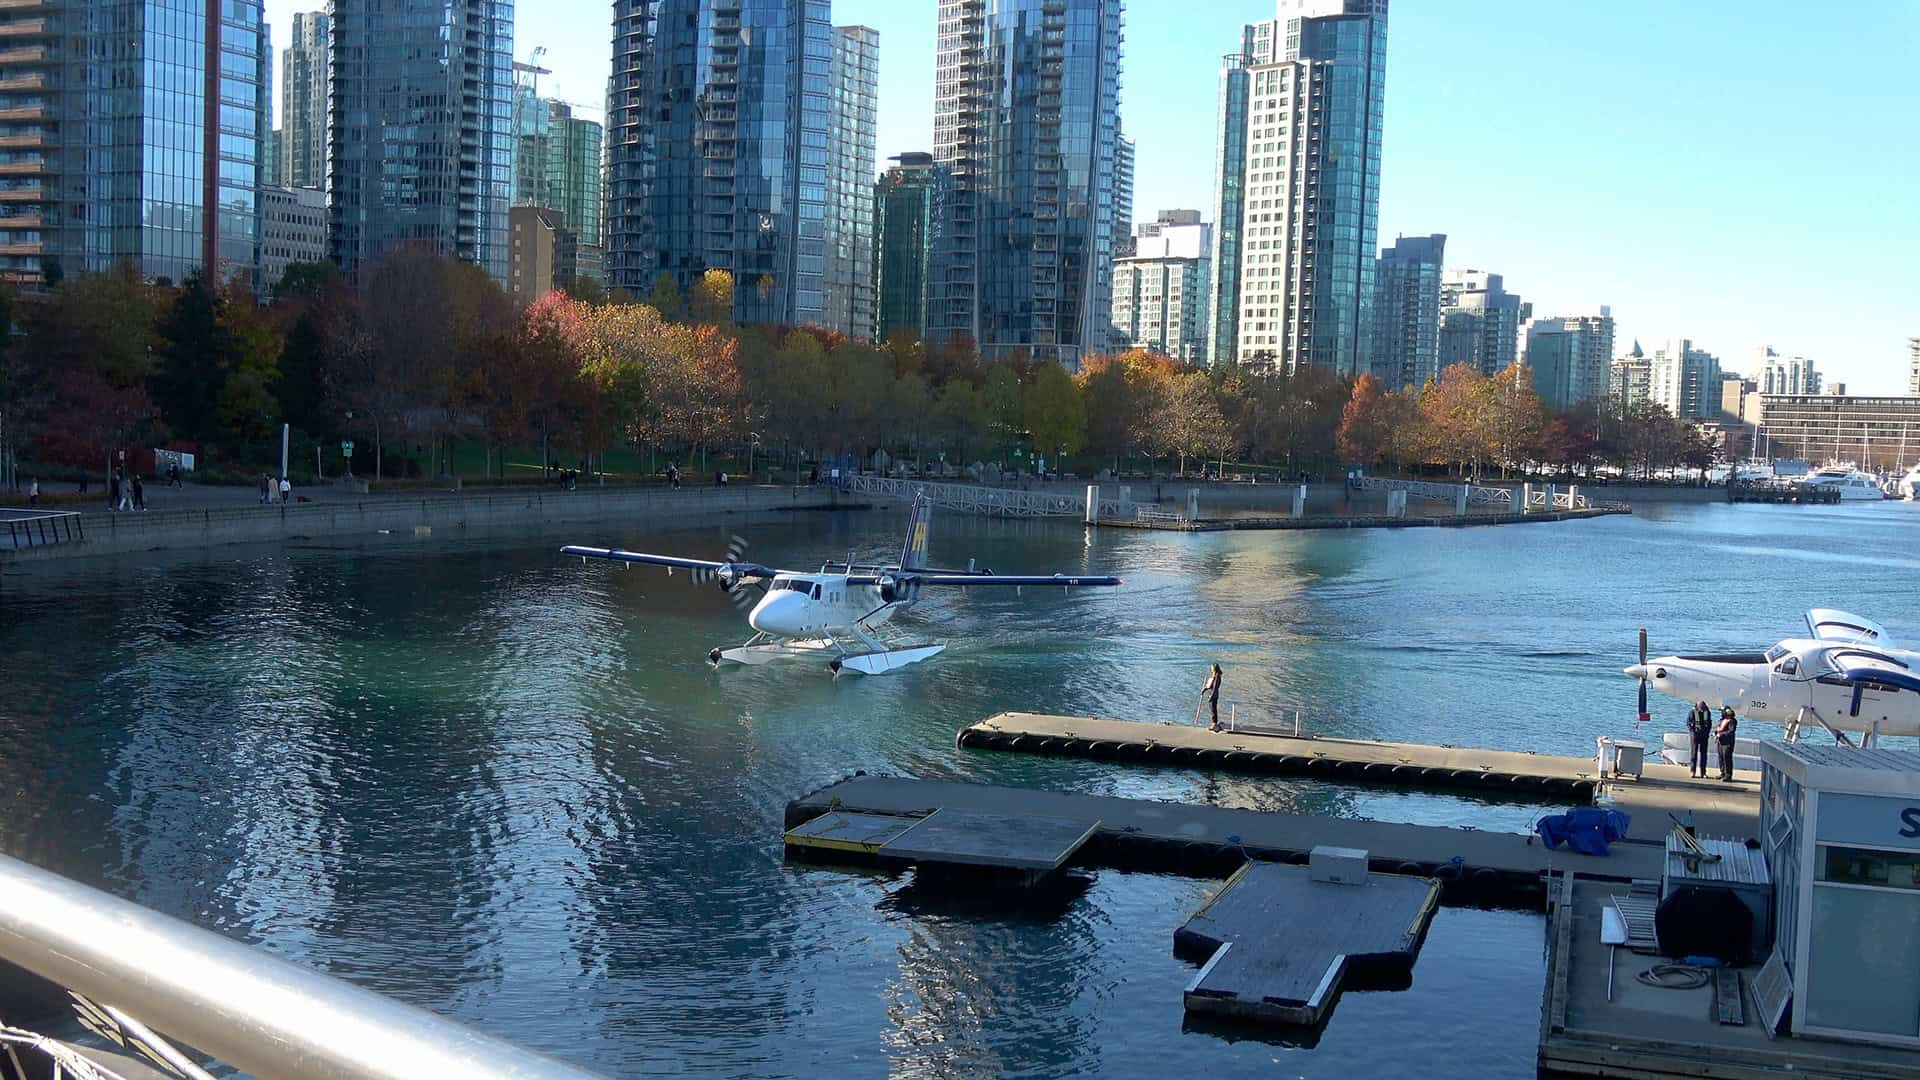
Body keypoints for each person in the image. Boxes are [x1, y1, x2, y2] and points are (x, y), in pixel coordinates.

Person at [1686, 701, 1713, 778]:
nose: (1702, 710)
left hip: (1704, 735)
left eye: (1703, 708)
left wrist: (1707, 732)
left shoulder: (1707, 712)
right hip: (1695, 735)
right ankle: (1692, 771)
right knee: (1694, 753)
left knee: (1704, 754)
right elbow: (1688, 723)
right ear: (1697, 707)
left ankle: (1703, 772)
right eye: (1701, 708)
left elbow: (1709, 723)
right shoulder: (1692, 712)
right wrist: (1693, 731)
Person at [1715, 706, 1739, 782]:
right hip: (1720, 742)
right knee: (1721, 758)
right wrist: (1715, 733)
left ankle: (1728, 775)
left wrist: (1721, 734)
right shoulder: (1722, 720)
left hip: (1728, 743)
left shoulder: (1732, 721)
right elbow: (1718, 728)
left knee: (1727, 758)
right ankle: (1722, 773)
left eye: (1722, 711)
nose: (1721, 713)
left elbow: (1731, 731)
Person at [1202, 663, 1223, 731]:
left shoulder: (1217, 676)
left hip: (1214, 695)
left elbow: (1215, 687)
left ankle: (1214, 724)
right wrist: (1205, 689)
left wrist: (1212, 696)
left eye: (1211, 667)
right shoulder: (1213, 676)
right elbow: (1210, 685)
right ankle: (1214, 724)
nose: (1210, 669)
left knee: (1213, 709)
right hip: (1211, 694)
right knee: (1212, 709)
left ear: (1214, 668)